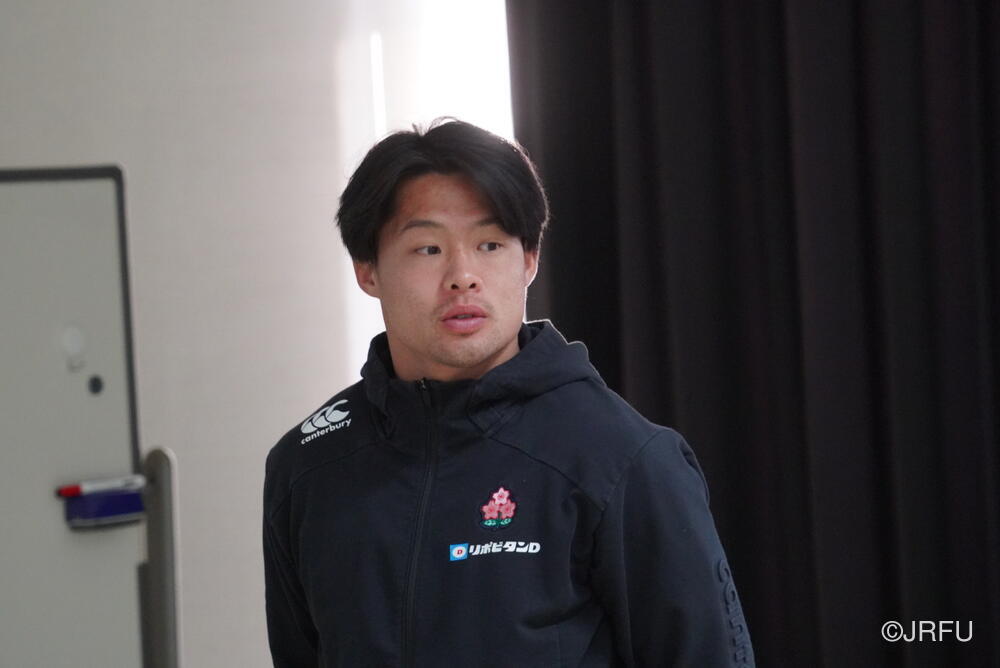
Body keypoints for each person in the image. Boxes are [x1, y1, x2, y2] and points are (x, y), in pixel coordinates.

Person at [263, 119, 754, 667]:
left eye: (490, 244)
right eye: (427, 248)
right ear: (367, 270)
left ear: (529, 260)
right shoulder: (308, 465)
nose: (462, 276)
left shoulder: (621, 458)